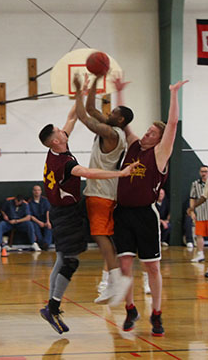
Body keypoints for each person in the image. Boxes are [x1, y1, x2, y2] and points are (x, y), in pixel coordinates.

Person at [37, 104, 139, 334]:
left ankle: (51, 307)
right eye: (59, 131)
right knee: (69, 261)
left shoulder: (57, 148)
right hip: (66, 213)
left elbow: (71, 116)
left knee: (62, 258)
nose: (64, 131)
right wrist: (120, 173)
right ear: (55, 140)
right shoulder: (65, 164)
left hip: (62, 210)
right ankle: (52, 307)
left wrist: (80, 92)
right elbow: (90, 173)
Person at [114, 79, 188, 336]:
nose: (147, 134)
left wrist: (174, 94)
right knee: (124, 265)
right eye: (147, 131)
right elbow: (122, 120)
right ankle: (131, 308)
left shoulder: (159, 153)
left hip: (145, 214)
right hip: (122, 212)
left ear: (159, 140)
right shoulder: (134, 144)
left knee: (152, 267)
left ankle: (156, 313)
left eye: (152, 133)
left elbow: (173, 125)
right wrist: (120, 91)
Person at [75, 73, 134, 305]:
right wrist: (97, 80)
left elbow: (82, 115)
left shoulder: (111, 133)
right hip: (101, 192)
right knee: (103, 238)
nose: (109, 114)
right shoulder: (112, 127)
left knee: (101, 239)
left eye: (114, 114)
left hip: (101, 193)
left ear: (120, 121)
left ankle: (116, 282)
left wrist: (79, 89)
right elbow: (90, 107)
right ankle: (112, 282)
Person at [190, 165, 208, 263]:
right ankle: (200, 254)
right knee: (199, 234)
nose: (204, 173)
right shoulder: (195, 184)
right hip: (200, 213)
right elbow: (192, 198)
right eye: (202, 171)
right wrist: (192, 211)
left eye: (206, 171)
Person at [29, 185, 52, 251]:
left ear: (41, 191)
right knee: (34, 227)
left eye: (38, 190)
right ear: (33, 191)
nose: (37, 192)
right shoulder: (30, 202)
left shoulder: (45, 200)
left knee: (49, 226)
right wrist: (39, 222)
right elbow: (30, 215)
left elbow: (48, 211)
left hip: (45, 219)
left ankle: (46, 243)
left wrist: (48, 221)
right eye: (35, 190)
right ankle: (40, 243)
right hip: (36, 220)